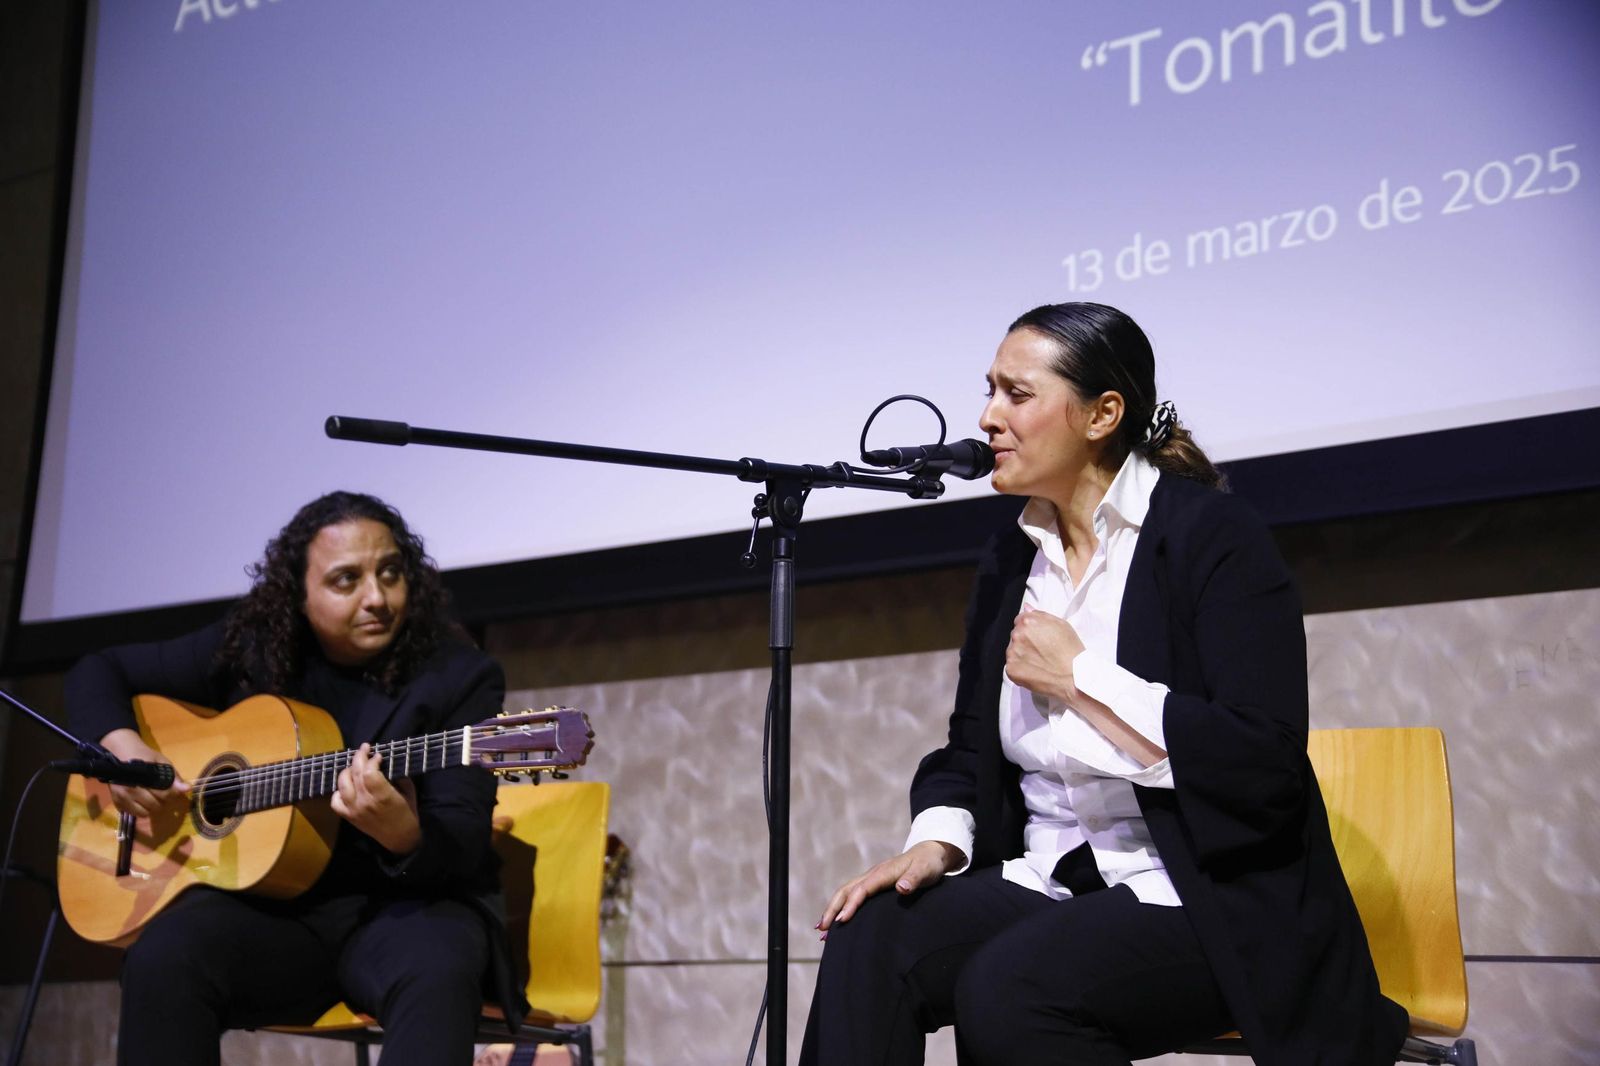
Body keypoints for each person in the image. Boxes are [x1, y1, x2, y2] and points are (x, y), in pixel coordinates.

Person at [800, 303, 1407, 1065]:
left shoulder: (1212, 537)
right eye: (988, 390)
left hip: (1201, 898)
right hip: (1052, 880)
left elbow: (1263, 760)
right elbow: (968, 748)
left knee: (1011, 986)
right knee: (876, 933)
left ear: (1103, 413)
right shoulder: (1012, 558)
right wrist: (937, 844)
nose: (988, 417)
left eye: (1016, 395)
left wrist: (1080, 677)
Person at [66, 491, 523, 1066]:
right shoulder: (254, 648)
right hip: (278, 919)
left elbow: (461, 837)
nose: (377, 598)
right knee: (165, 956)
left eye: (390, 573)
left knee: (439, 967)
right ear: (298, 596)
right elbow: (97, 671)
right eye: (345, 581)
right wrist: (124, 749)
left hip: (404, 913)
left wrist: (405, 835)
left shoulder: (460, 675)